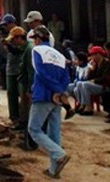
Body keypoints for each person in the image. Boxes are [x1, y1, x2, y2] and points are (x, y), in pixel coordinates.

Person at [27, 26, 71, 179]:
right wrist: (60, 91)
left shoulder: (36, 51)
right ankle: (54, 170)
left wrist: (55, 89)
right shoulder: (59, 55)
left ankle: (59, 154)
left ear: (38, 39)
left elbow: (41, 73)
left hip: (43, 95)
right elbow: (67, 77)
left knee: (34, 129)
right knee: (54, 132)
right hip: (56, 98)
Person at [75, 46, 110, 115]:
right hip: (97, 85)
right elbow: (89, 78)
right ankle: (82, 105)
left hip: (105, 86)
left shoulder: (107, 63)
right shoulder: (95, 64)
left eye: (93, 55)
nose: (92, 57)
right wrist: (91, 70)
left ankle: (88, 107)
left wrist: (94, 80)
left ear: (98, 54)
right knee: (79, 83)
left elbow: (105, 77)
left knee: (85, 85)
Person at [4, 26, 28, 127]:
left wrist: (9, 45)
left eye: (14, 39)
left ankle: (23, 120)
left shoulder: (26, 47)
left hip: (20, 72)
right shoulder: (13, 46)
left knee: (23, 96)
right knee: (11, 93)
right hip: (11, 71)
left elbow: (17, 51)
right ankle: (14, 117)